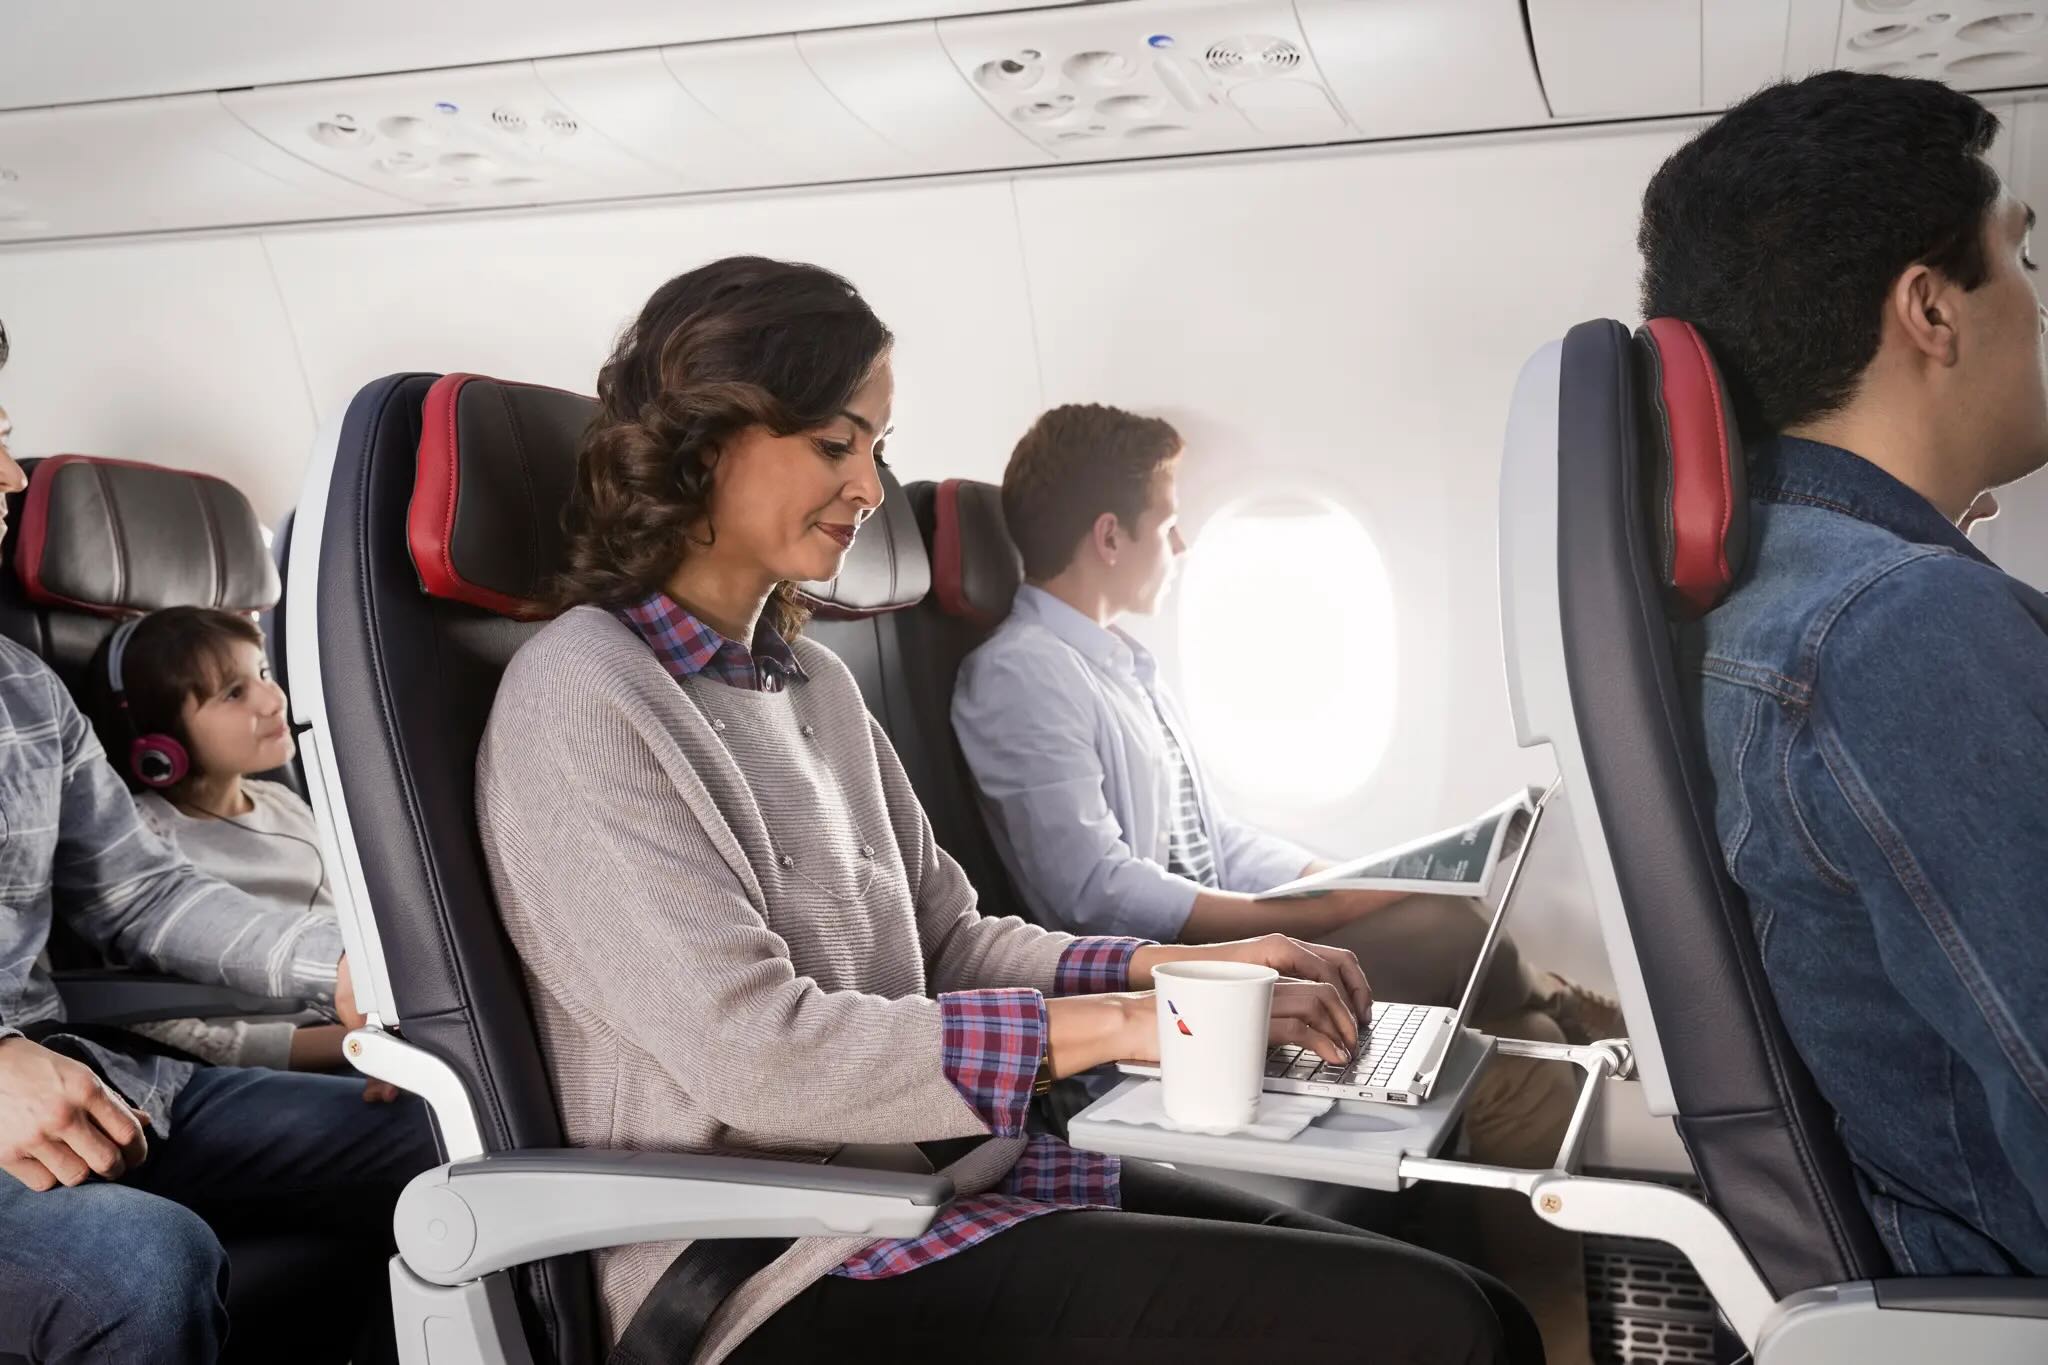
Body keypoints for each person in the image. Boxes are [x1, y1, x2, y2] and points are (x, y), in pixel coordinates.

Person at [476, 255, 1544, 1364]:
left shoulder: (812, 684)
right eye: (836, 443)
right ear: (704, 439)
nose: (869, 489)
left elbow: (950, 941)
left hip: (943, 1181)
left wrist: (1181, 974)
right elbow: (759, 1056)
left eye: (878, 449)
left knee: (1469, 1305)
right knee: (1439, 1334)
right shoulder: (586, 698)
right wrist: (1137, 1025)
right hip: (774, 1266)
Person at [951, 403, 1619, 1362]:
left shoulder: (1125, 668)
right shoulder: (1020, 675)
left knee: (1526, 1057)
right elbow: (1091, 888)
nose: (1182, 544)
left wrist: (1336, 875)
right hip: (1169, 976)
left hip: (1223, 944)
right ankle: (1567, 1012)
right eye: (1168, 521)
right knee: (1451, 932)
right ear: (1109, 536)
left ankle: (1548, 1326)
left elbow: (1214, 835)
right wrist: (1306, 914)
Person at [1640, 71, 2048, 1275]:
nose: (2035, 304)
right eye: (2018, 258)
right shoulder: (1891, 625)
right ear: (1929, 309)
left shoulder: (1782, 586)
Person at [0, 361, 435, 1363]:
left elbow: (138, 891)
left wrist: (338, 968)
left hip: (87, 1075)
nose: (12, 477)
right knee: (141, 1263)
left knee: (446, 1143)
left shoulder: (23, 691)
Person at [79, 605, 396, 1098]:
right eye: (234, 692)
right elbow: (162, 1027)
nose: (273, 699)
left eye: (264, 674)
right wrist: (356, 1043)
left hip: (360, 1031)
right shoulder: (139, 839)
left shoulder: (280, 803)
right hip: (281, 1067)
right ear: (158, 740)